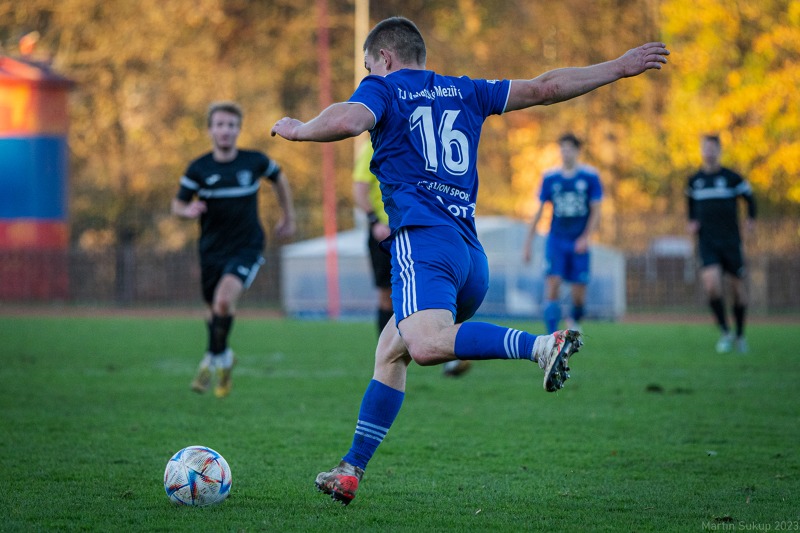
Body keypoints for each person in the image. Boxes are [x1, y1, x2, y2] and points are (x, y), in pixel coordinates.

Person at [271, 16, 669, 505]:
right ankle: (351, 469)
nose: (367, 75)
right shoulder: (466, 90)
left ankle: (541, 345)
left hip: (424, 245)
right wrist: (619, 67)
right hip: (469, 257)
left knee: (424, 345)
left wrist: (299, 130)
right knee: (391, 351)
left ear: (384, 58)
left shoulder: (383, 88)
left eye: (368, 66)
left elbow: (350, 119)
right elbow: (545, 87)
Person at [173, 101, 296, 398]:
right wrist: (188, 210)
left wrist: (288, 216)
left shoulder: (253, 161)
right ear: (210, 130)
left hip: (247, 246)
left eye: (231, 125)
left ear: (238, 129)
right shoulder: (199, 168)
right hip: (211, 249)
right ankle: (224, 356)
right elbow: (177, 204)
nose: (225, 130)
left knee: (223, 302)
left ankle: (211, 359)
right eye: (220, 125)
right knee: (214, 310)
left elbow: (279, 177)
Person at [353, 141, 471, 377]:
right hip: (385, 233)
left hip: (417, 230)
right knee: (386, 296)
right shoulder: (374, 147)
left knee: (439, 290)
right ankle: (387, 357)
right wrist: (374, 221)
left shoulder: (420, 142)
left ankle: (448, 354)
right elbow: (359, 189)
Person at [522, 133, 603, 334]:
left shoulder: (590, 177)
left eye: (569, 149)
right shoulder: (550, 178)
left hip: (578, 241)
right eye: (562, 149)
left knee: (578, 295)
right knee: (553, 283)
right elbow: (539, 211)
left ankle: (574, 322)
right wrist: (528, 243)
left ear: (577, 151)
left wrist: (586, 237)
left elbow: (596, 211)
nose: (565, 153)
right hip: (556, 239)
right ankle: (552, 335)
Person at [686, 134, 756, 354]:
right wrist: (692, 222)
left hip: (731, 242)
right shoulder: (694, 181)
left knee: (738, 291)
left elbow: (750, 198)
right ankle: (726, 332)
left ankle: (740, 335)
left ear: (719, 151)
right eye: (705, 148)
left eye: (712, 148)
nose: (709, 152)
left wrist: (750, 220)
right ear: (701, 151)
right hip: (707, 242)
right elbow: (691, 207)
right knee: (712, 286)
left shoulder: (732, 178)